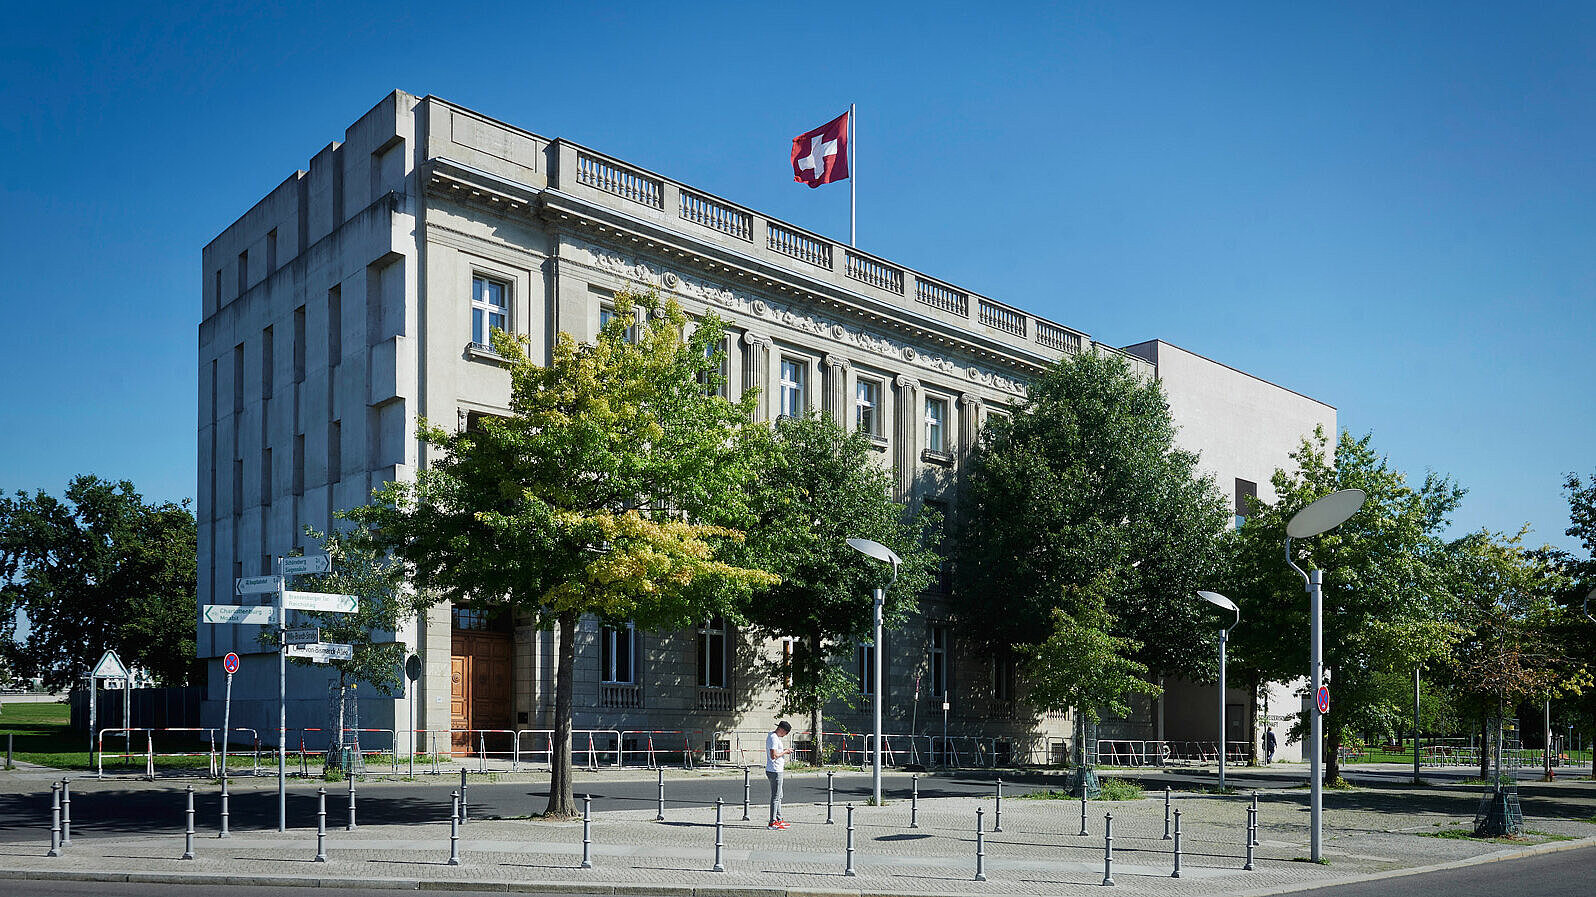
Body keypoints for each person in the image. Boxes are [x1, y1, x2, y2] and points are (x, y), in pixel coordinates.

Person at [766, 720, 792, 829]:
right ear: (782, 730)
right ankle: (772, 822)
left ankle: (779, 819)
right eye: (786, 733)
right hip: (774, 770)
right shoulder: (773, 738)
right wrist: (785, 752)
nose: (785, 735)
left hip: (777, 769)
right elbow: (774, 755)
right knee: (775, 797)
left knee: (779, 796)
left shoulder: (774, 737)